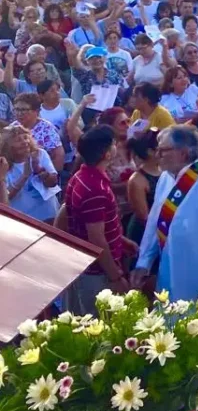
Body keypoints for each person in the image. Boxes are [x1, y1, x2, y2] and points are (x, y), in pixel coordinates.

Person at [131, 125, 198, 307]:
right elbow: (154, 223)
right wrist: (144, 262)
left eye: (163, 150)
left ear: (182, 153)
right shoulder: (166, 179)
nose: (157, 155)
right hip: (170, 269)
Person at [65, 126, 137, 314]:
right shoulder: (94, 189)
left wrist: (121, 241)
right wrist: (115, 277)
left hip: (94, 266)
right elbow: (96, 238)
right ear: (106, 154)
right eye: (113, 144)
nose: (116, 146)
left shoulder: (81, 177)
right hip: (98, 272)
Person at [2, 125, 60, 223]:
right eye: (18, 140)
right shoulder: (3, 164)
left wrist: (40, 171)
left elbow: (53, 183)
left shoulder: (40, 154)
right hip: (26, 221)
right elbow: (5, 199)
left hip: (51, 214)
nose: (25, 142)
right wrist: (25, 176)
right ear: (7, 146)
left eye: (26, 137)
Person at [125, 130, 161, 244]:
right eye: (161, 148)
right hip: (145, 234)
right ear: (150, 151)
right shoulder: (137, 181)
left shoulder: (165, 171)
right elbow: (144, 218)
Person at [13, 92, 65, 171]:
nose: (19, 113)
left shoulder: (47, 128)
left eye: (23, 110)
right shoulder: (12, 128)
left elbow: (59, 156)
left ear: (36, 111)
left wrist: (49, 175)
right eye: (17, 109)